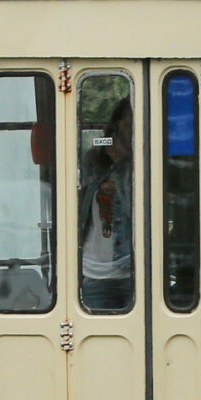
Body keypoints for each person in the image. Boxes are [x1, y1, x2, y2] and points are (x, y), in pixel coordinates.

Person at [77, 98, 134, 311]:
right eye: (128, 124)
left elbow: (134, 209)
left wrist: (123, 163)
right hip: (93, 272)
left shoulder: (140, 164)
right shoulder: (94, 161)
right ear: (118, 124)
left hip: (130, 269)